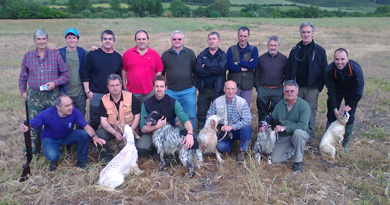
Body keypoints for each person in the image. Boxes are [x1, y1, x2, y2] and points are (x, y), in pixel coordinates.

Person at [19, 93, 106, 171]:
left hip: (68, 136)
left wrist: (95, 136)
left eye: (71, 104)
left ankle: (82, 162)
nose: (71, 107)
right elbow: (31, 124)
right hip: (50, 139)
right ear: (58, 107)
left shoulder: (74, 111)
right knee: (54, 156)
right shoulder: (47, 114)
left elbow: (86, 126)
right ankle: (53, 160)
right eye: (67, 106)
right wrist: (25, 127)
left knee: (83, 134)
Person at [19, 29, 69, 155]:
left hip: (52, 96)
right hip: (34, 96)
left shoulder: (55, 55)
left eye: (43, 39)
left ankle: (55, 148)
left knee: (54, 122)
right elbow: (23, 76)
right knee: (34, 124)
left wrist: (54, 83)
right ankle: (33, 151)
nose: (41, 41)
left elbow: (66, 74)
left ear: (47, 40)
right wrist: (23, 91)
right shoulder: (28, 56)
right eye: (38, 39)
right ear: (34, 41)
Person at [285, 22, 327, 143]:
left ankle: (308, 140)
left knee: (309, 113)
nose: (306, 34)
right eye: (303, 32)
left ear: (312, 34)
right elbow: (288, 69)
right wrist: (289, 85)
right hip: (295, 89)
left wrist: (319, 87)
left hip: (312, 89)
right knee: (294, 112)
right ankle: (294, 138)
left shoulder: (319, 51)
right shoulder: (295, 50)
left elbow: (325, 70)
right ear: (300, 33)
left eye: (308, 32)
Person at [138, 75, 194, 155]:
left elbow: (185, 120)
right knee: (142, 148)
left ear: (166, 88)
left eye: (161, 86)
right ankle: (156, 148)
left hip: (169, 132)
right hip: (152, 132)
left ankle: (167, 150)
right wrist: (157, 127)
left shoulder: (173, 102)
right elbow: (143, 128)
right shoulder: (146, 104)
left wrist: (190, 133)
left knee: (185, 135)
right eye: (157, 86)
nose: (159, 89)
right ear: (153, 87)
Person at [81, 30, 123, 130]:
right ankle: (92, 138)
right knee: (94, 120)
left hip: (112, 94)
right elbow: (85, 73)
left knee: (112, 119)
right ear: (101, 40)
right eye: (105, 39)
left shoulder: (118, 57)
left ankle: (108, 138)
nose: (107, 41)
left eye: (110, 39)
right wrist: (87, 91)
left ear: (114, 41)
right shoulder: (93, 55)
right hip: (96, 94)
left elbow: (119, 76)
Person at [325, 48, 364, 153]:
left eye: (342, 59)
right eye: (337, 59)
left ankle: (345, 143)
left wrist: (350, 105)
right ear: (333, 59)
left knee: (349, 116)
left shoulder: (355, 69)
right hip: (336, 91)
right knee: (331, 114)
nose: (339, 62)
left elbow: (359, 90)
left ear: (347, 59)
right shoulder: (329, 70)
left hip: (351, 92)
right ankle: (328, 138)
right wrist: (334, 107)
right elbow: (331, 90)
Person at [96, 74, 141, 161]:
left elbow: (137, 116)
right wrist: (114, 133)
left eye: (117, 85)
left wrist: (129, 131)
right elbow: (103, 121)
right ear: (108, 87)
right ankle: (107, 158)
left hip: (130, 129)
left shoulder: (131, 97)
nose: (115, 88)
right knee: (99, 133)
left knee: (138, 147)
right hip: (113, 129)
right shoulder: (104, 100)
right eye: (112, 86)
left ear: (121, 85)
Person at [206, 80, 252, 164]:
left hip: (237, 130)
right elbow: (209, 116)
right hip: (224, 132)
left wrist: (232, 127)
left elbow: (247, 120)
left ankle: (242, 151)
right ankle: (230, 147)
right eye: (228, 89)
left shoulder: (242, 102)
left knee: (247, 129)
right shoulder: (217, 101)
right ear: (224, 89)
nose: (230, 91)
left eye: (232, 89)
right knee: (219, 146)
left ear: (236, 90)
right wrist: (215, 127)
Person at [271, 80, 310, 173]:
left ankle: (298, 162)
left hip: (299, 134)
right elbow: (273, 119)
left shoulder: (304, 105)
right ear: (284, 93)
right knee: (274, 160)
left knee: (298, 133)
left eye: (292, 91)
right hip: (284, 137)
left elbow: (303, 125)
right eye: (287, 91)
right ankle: (294, 149)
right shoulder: (279, 105)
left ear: (297, 91)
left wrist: (284, 128)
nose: (289, 93)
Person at [161, 30, 197, 129]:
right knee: (169, 115)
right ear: (171, 40)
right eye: (174, 39)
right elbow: (162, 73)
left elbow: (196, 70)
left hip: (188, 90)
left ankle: (191, 136)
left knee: (191, 115)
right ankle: (172, 136)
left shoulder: (190, 53)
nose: (177, 41)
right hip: (170, 91)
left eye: (179, 39)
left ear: (183, 40)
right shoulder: (165, 55)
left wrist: (194, 86)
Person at [194, 31, 227, 130]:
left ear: (218, 41)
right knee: (201, 114)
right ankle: (201, 135)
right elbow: (198, 71)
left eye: (214, 39)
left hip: (218, 90)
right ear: (207, 41)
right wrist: (214, 70)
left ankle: (218, 136)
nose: (212, 41)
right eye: (210, 39)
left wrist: (206, 66)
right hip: (204, 90)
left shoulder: (222, 55)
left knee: (219, 115)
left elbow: (221, 69)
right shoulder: (202, 55)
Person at [122, 30, 163, 105]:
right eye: (139, 39)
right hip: (131, 92)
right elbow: (123, 71)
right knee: (131, 115)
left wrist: (154, 86)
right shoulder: (127, 54)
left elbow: (159, 71)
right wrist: (125, 87)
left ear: (148, 40)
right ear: (135, 40)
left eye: (143, 39)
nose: (141, 41)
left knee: (147, 115)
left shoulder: (154, 54)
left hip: (149, 93)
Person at [254, 36, 287, 122]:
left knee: (276, 112)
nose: (273, 47)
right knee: (262, 112)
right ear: (267, 45)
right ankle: (262, 133)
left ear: (279, 46)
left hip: (278, 90)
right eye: (271, 45)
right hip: (264, 90)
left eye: (275, 45)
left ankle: (274, 132)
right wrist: (258, 88)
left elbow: (287, 75)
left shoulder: (284, 59)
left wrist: (284, 89)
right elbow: (256, 75)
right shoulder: (261, 58)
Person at [58, 28, 87, 121]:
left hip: (80, 93)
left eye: (74, 38)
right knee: (65, 118)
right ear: (66, 39)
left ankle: (80, 135)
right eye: (69, 38)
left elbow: (94, 56)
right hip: (65, 92)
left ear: (78, 39)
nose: (72, 40)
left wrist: (95, 49)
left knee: (80, 118)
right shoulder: (60, 53)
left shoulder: (82, 52)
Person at [226, 26, 259, 106]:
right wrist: (244, 67)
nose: (242, 38)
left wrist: (239, 63)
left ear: (248, 36)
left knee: (244, 108)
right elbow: (230, 66)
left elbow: (253, 64)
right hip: (233, 84)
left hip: (247, 85)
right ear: (237, 36)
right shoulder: (231, 49)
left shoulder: (253, 49)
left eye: (245, 36)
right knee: (231, 108)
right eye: (241, 36)